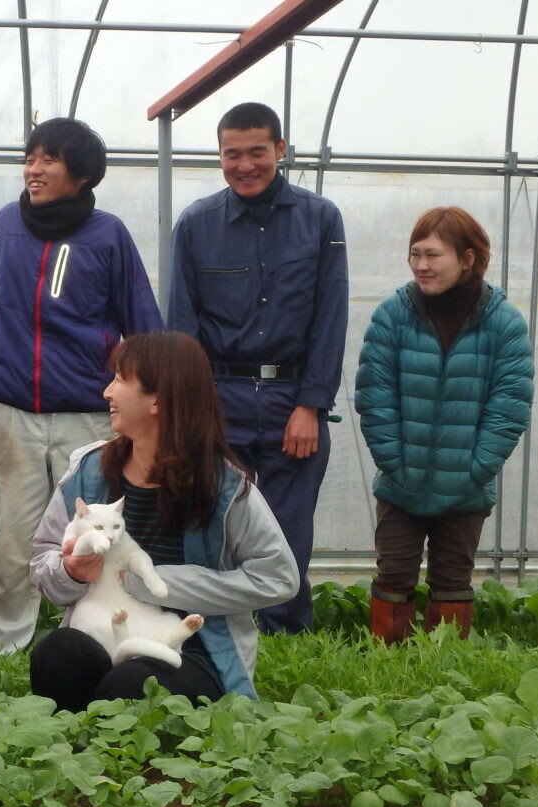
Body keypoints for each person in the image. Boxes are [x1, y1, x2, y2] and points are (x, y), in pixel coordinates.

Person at [0, 116, 162, 652]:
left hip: (90, 414)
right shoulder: (6, 224)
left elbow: (139, 317)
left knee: (96, 533)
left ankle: (97, 635)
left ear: (84, 175)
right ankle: (7, 642)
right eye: (30, 158)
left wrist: (153, 394)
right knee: (13, 536)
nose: (34, 169)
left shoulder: (108, 235)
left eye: (48, 160)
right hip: (13, 409)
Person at [30, 332, 298, 710]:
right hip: (104, 633)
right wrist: (70, 572)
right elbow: (42, 560)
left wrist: (161, 584)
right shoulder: (88, 471)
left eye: (121, 379)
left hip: (190, 650)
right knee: (56, 655)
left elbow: (279, 578)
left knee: (133, 683)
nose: (107, 391)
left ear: (158, 399)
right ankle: (69, 758)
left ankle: (126, 760)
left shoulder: (224, 487)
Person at [167, 101, 348, 635]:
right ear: (220, 155)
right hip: (218, 394)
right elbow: (182, 327)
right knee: (214, 518)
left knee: (288, 524)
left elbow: (330, 317)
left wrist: (311, 405)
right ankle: (215, 629)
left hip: (292, 394)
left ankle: (286, 632)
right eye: (232, 154)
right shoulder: (197, 224)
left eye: (257, 152)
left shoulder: (319, 219)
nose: (244, 165)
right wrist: (192, 414)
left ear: (281, 151)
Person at [355, 207, 534, 643]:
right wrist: (393, 461)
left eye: (433, 255)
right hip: (402, 481)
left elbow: (510, 403)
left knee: (454, 578)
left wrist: (477, 468)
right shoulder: (394, 315)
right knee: (393, 574)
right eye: (414, 254)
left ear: (468, 258)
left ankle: (444, 671)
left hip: (467, 488)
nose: (421, 265)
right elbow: (374, 394)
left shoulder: (502, 322)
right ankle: (386, 661)